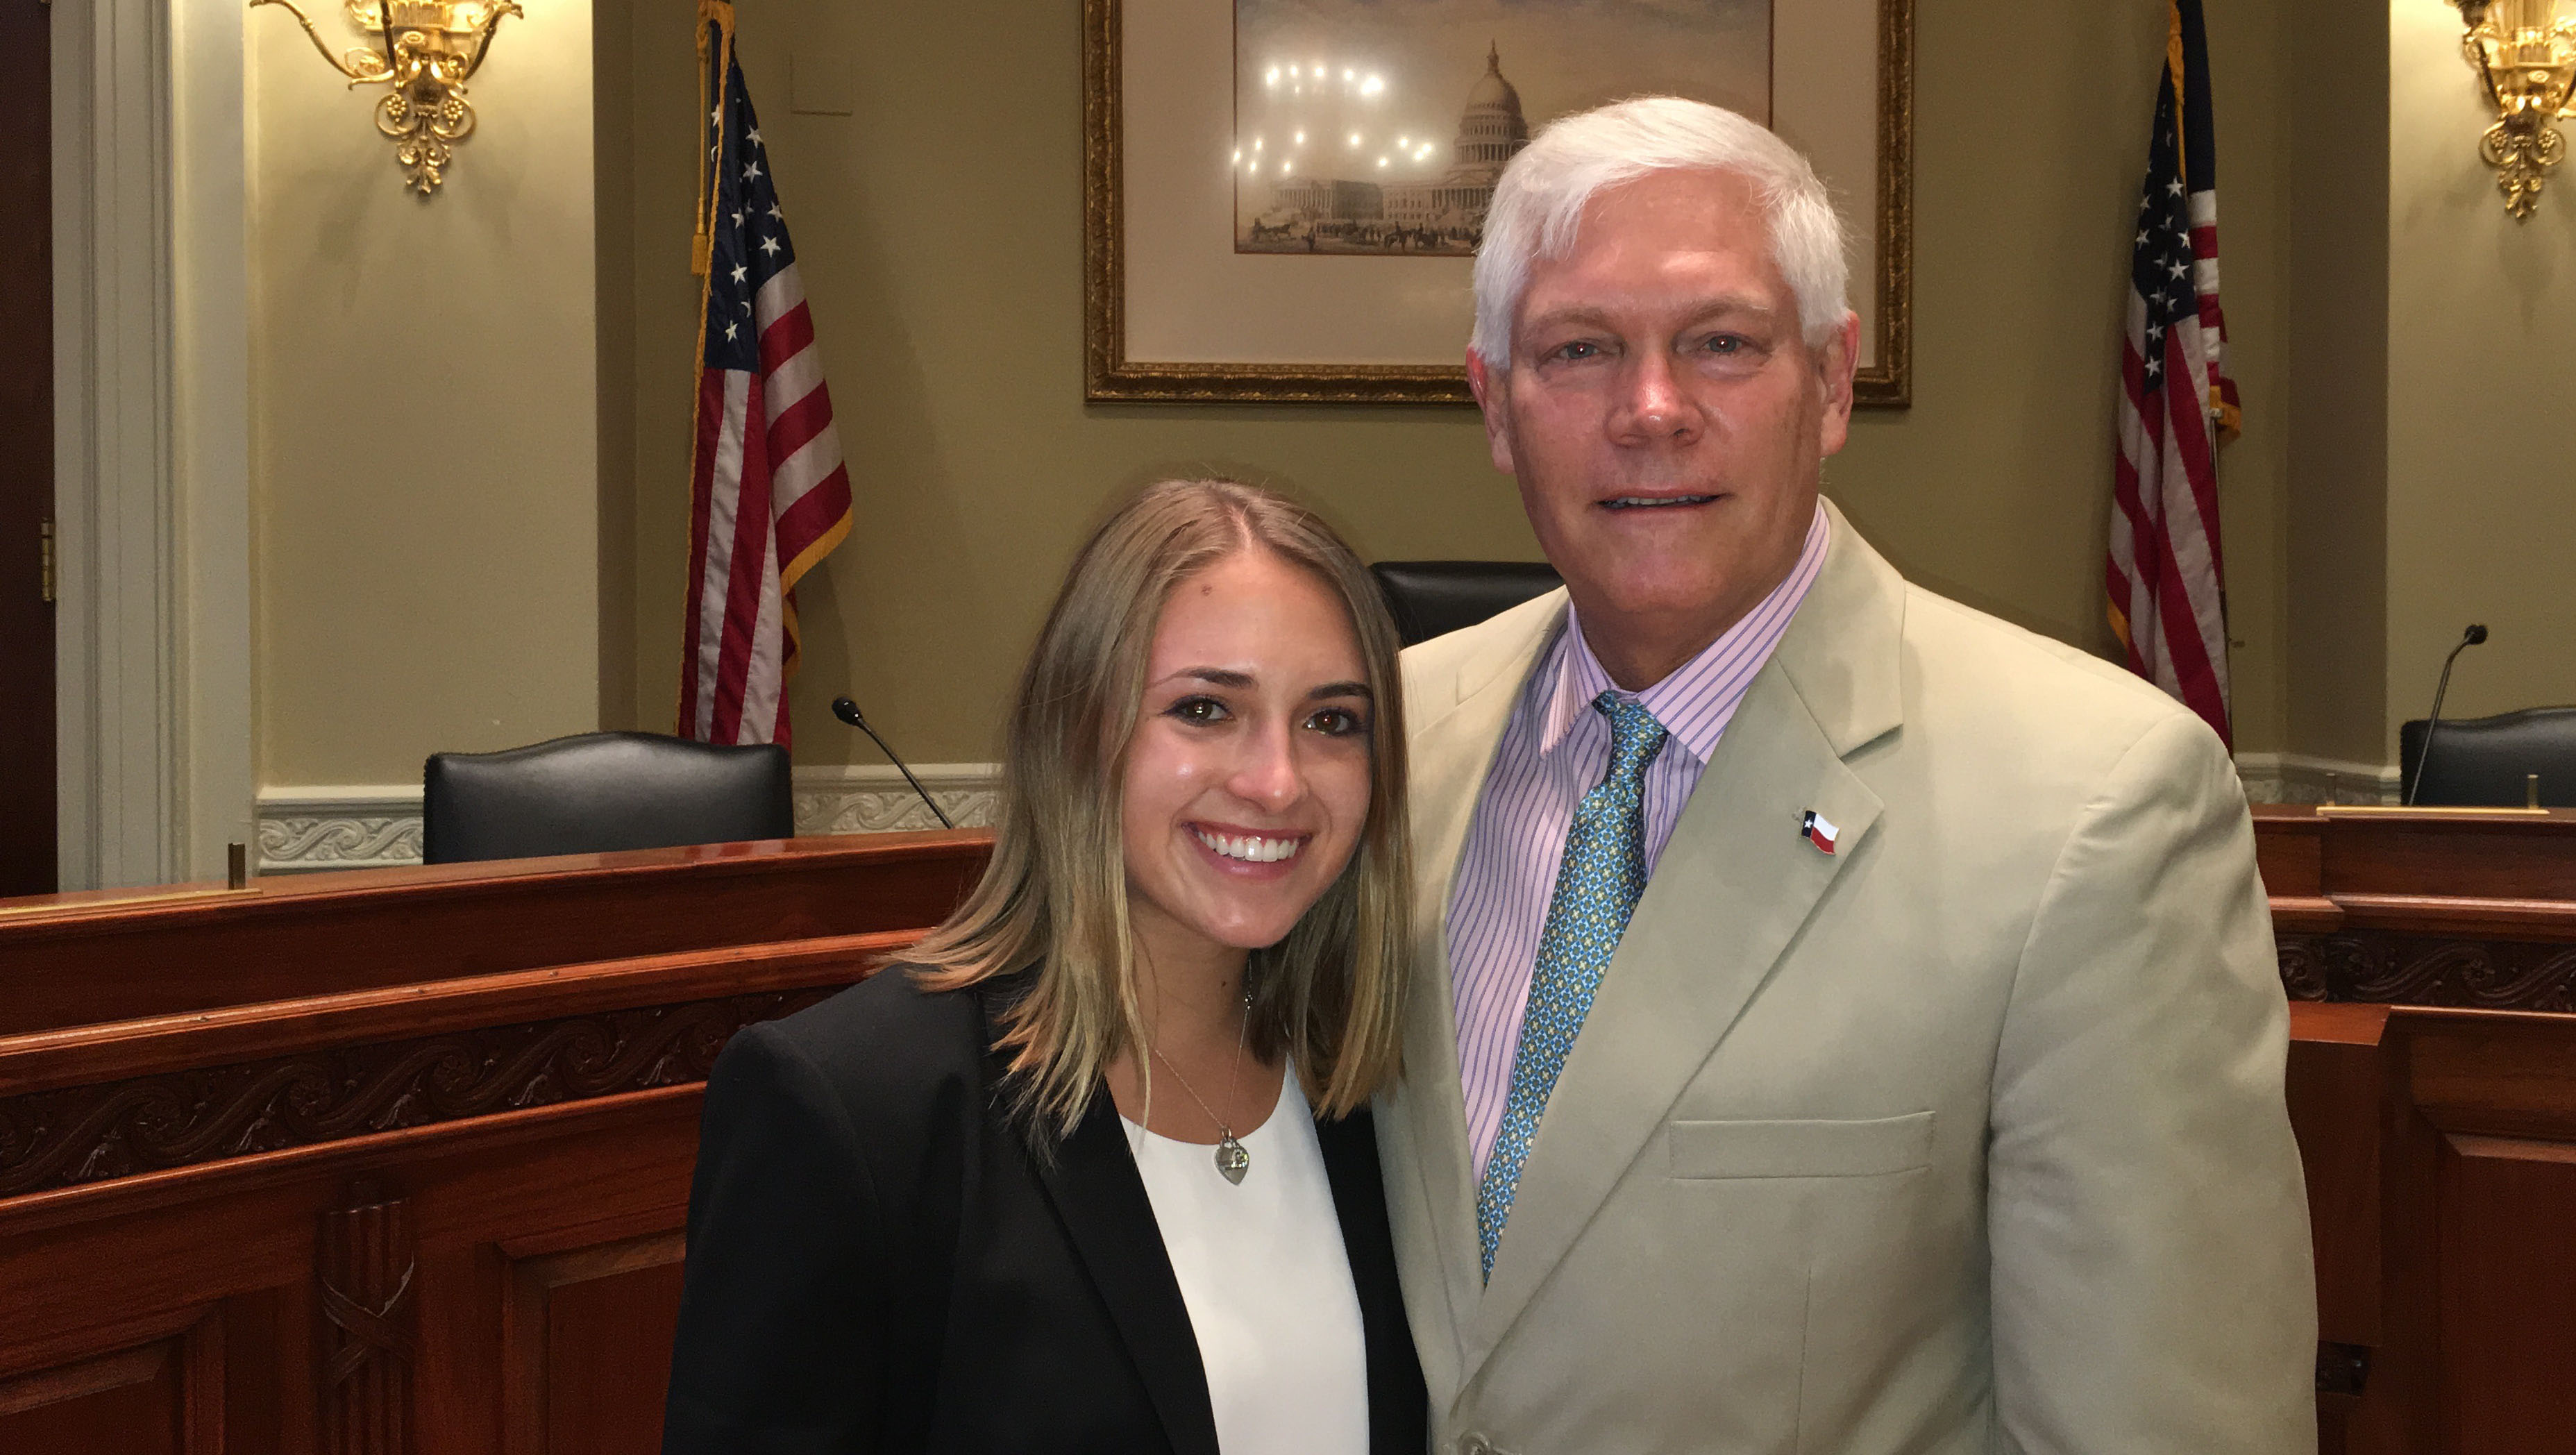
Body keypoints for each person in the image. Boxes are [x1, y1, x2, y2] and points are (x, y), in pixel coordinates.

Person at [1379, 98, 2316, 1452]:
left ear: (1829, 382)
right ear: (1494, 406)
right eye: (1580, 349)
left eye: (1721, 343)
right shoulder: (1377, 748)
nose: (1652, 411)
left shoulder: (2099, 806)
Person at [662, 478, 1427, 1454]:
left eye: (1332, 722)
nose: (1276, 781)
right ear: (1077, 729)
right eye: (1203, 708)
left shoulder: (1375, 1089)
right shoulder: (853, 1107)